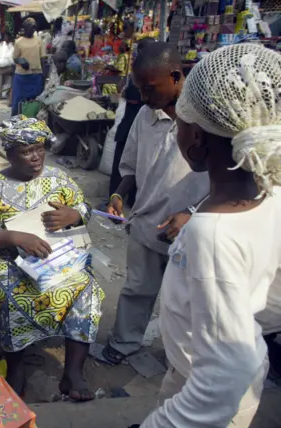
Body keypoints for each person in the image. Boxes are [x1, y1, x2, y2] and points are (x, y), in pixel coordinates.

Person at [140, 43, 281, 427]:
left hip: (212, 400)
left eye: (181, 121)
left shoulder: (212, 234)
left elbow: (224, 378)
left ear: (197, 139)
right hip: (195, 373)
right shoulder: (272, 194)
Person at [0, 116, 104, 401]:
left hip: (59, 256)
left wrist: (75, 214)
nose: (36, 157)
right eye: (26, 151)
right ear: (9, 154)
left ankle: (73, 373)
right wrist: (17, 237)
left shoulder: (58, 178)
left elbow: (83, 206)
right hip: (12, 262)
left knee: (86, 287)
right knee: (7, 293)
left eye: (39, 148)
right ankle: (16, 369)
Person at [102, 42, 209, 365]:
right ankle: (124, 343)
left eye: (149, 89)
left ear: (176, 77)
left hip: (195, 229)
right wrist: (119, 193)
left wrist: (191, 215)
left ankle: (187, 361)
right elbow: (131, 166)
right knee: (137, 289)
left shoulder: (206, 119)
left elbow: (228, 180)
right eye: (139, 89)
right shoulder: (144, 117)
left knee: (191, 301)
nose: (144, 98)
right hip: (148, 223)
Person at [108, 38, 155, 204]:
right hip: (141, 128)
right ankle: (129, 199)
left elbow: (131, 97)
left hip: (130, 126)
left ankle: (116, 197)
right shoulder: (148, 73)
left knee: (122, 165)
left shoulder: (141, 73)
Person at [11, 18, 45, 116]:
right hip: (22, 76)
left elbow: (42, 58)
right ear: (25, 28)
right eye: (31, 28)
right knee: (18, 99)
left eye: (34, 28)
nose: (33, 30)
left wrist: (43, 74)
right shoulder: (19, 42)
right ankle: (15, 120)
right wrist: (22, 62)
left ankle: (32, 119)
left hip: (36, 75)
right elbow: (15, 58)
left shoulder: (39, 41)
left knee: (35, 99)